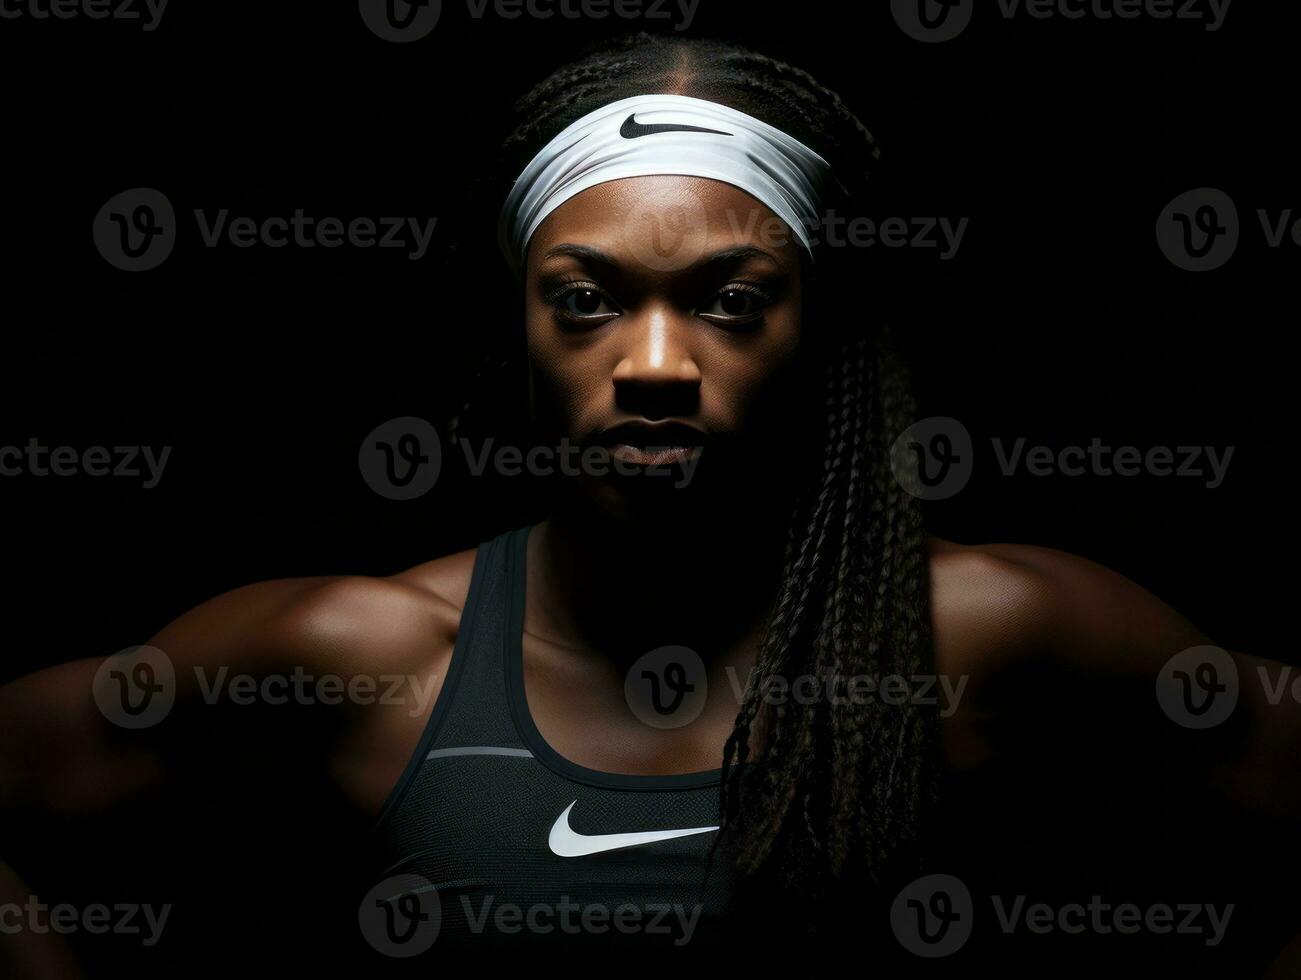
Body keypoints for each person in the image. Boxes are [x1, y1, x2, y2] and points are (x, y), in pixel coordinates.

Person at [2, 33, 1298, 979]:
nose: (658, 364)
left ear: (819, 332)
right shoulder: (364, 650)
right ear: (518, 330)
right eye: (588, 298)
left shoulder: (973, 630)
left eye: (730, 300)